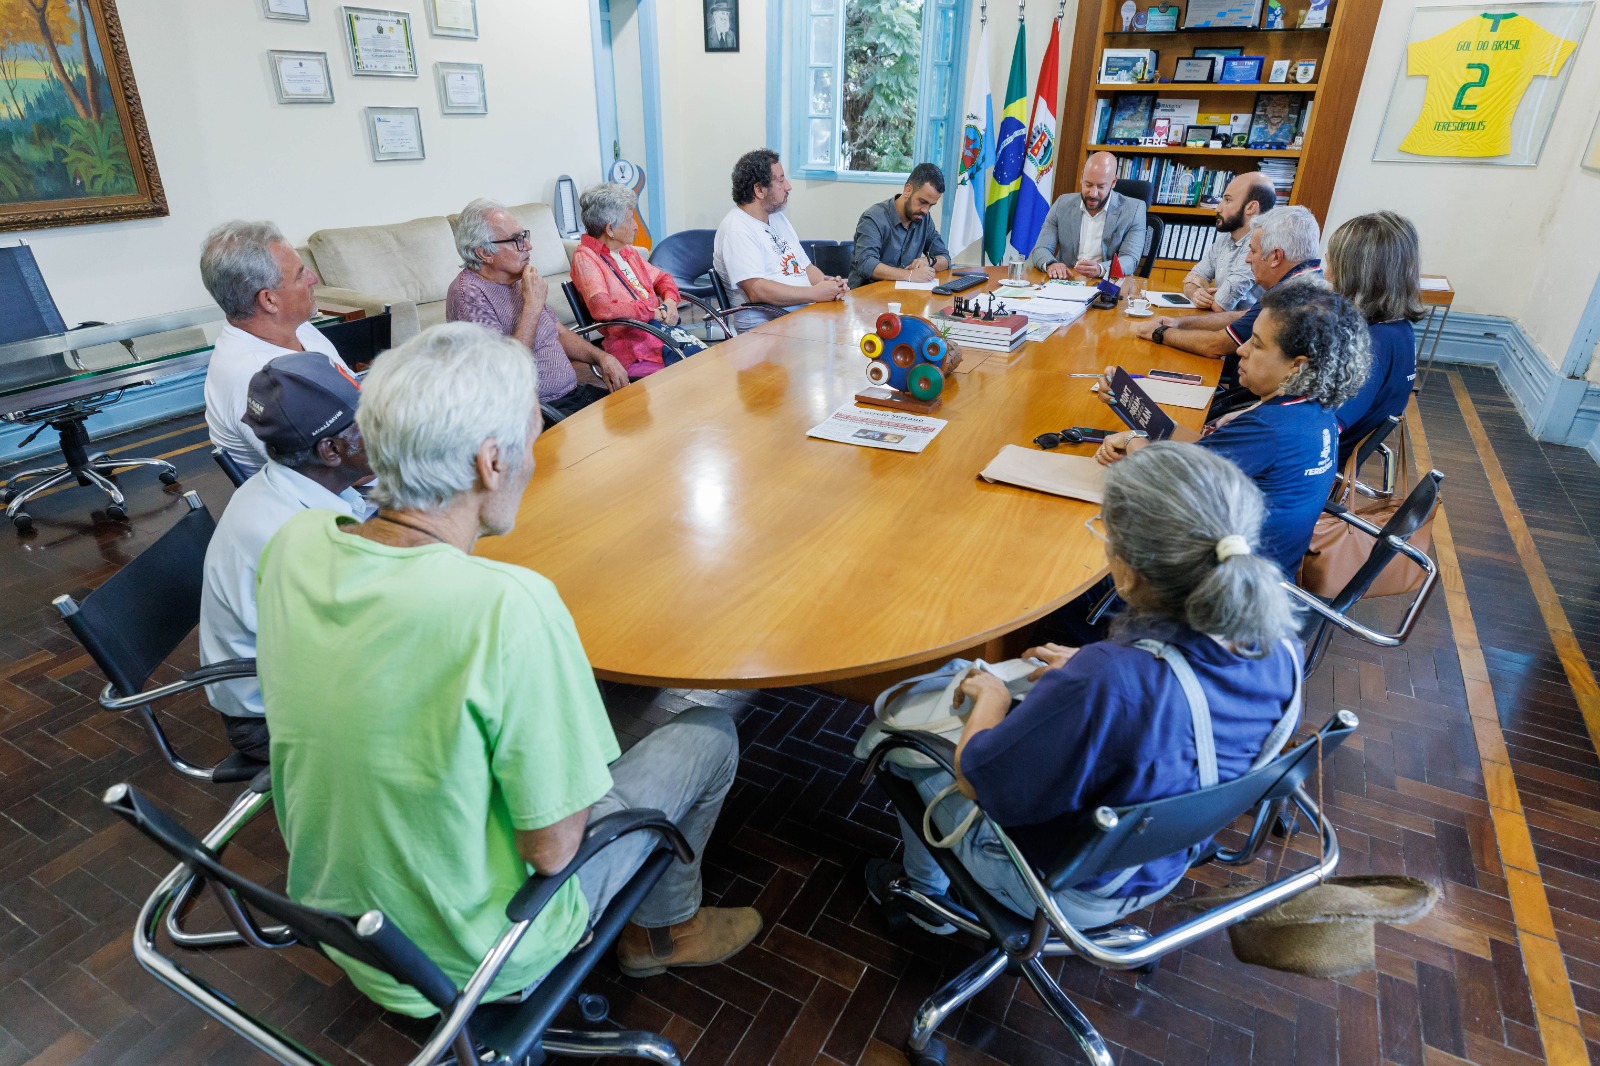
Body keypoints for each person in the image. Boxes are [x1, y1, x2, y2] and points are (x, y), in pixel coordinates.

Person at [255, 322, 761, 1017]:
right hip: (480, 956)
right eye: (532, 437)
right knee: (710, 731)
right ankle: (667, 931)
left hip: (345, 932)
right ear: (490, 462)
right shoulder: (508, 607)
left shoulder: (295, 544)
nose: (534, 455)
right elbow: (553, 852)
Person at [865, 442, 1305, 933]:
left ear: (1130, 566)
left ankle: (927, 900)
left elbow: (976, 779)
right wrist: (1102, 672)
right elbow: (1172, 704)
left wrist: (994, 697)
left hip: (1068, 887)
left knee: (895, 734)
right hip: (1163, 859)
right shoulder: (1281, 647)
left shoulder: (1107, 681)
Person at [1099, 281, 1371, 577]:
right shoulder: (1312, 412)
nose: (1240, 349)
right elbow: (1205, 452)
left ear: (1296, 365)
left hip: (1222, 588)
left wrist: (1133, 441)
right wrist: (1131, 405)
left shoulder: (1269, 429)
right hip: (1262, 575)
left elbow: (1163, 482)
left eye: (1257, 344)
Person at [198, 352, 371, 761]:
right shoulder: (293, 534)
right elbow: (366, 643)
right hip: (271, 718)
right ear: (331, 450)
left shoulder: (300, 488)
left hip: (304, 671)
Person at [446, 197, 629, 419]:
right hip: (534, 413)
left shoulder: (516, 279)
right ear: (484, 253)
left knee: (635, 414)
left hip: (571, 395)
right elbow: (504, 371)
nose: (528, 245)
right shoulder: (469, 294)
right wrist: (532, 305)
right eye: (516, 240)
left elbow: (557, 331)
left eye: (524, 236)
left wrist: (602, 358)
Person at [200, 221, 349, 478]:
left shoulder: (295, 327)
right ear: (269, 300)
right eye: (300, 274)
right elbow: (336, 473)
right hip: (337, 503)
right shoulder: (258, 378)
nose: (313, 278)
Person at [1134, 205, 1322, 362]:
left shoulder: (1289, 297)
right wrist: (1177, 322)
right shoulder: (1309, 282)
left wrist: (1160, 333)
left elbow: (1216, 345)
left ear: (1276, 257)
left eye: (1253, 252)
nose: (1248, 259)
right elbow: (1243, 317)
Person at [1325, 211, 1424, 463]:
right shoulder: (1398, 329)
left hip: (1311, 466)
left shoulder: (1370, 348)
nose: (1326, 275)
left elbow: (1322, 429)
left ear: (1355, 275)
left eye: (1332, 265)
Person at [713, 149, 847, 330]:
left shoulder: (777, 218)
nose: (788, 186)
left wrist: (829, 284)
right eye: (780, 181)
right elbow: (757, 290)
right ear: (759, 190)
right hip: (767, 330)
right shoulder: (736, 229)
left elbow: (806, 268)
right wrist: (814, 293)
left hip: (802, 316)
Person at [569, 183, 686, 379]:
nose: (635, 226)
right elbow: (603, 308)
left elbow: (663, 279)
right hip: (634, 352)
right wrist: (651, 313)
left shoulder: (626, 251)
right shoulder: (586, 258)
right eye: (630, 220)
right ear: (610, 229)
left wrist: (670, 303)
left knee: (704, 364)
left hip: (661, 337)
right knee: (692, 372)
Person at [1025, 151, 1147, 280]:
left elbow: (1130, 259)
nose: (1093, 193)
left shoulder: (1134, 210)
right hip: (1067, 281)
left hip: (1105, 284)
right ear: (1081, 178)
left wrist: (1101, 269)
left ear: (1113, 182)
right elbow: (1040, 249)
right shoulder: (1062, 204)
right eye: (1088, 185)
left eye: (1100, 187)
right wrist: (1051, 264)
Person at [1181, 173, 1276, 312]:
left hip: (1245, 330)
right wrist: (1196, 293)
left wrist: (1204, 291)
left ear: (1251, 207)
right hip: (1219, 323)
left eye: (1227, 200)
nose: (1218, 208)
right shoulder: (1225, 239)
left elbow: (1220, 305)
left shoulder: (1260, 245)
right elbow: (1189, 280)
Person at [848, 163, 952, 288]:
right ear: (908, 190)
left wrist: (928, 261)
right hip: (868, 298)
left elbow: (945, 258)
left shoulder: (924, 219)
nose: (925, 210)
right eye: (922, 202)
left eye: (930, 205)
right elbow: (866, 264)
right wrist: (909, 275)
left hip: (904, 297)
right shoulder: (873, 218)